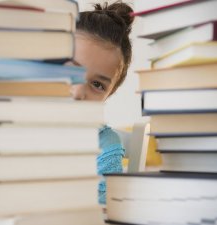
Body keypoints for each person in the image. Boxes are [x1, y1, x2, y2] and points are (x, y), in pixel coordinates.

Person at [68, 1, 135, 205]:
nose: (78, 92)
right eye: (71, 71)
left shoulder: (107, 146)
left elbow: (101, 208)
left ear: (109, 94)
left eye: (97, 84)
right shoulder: (20, 125)